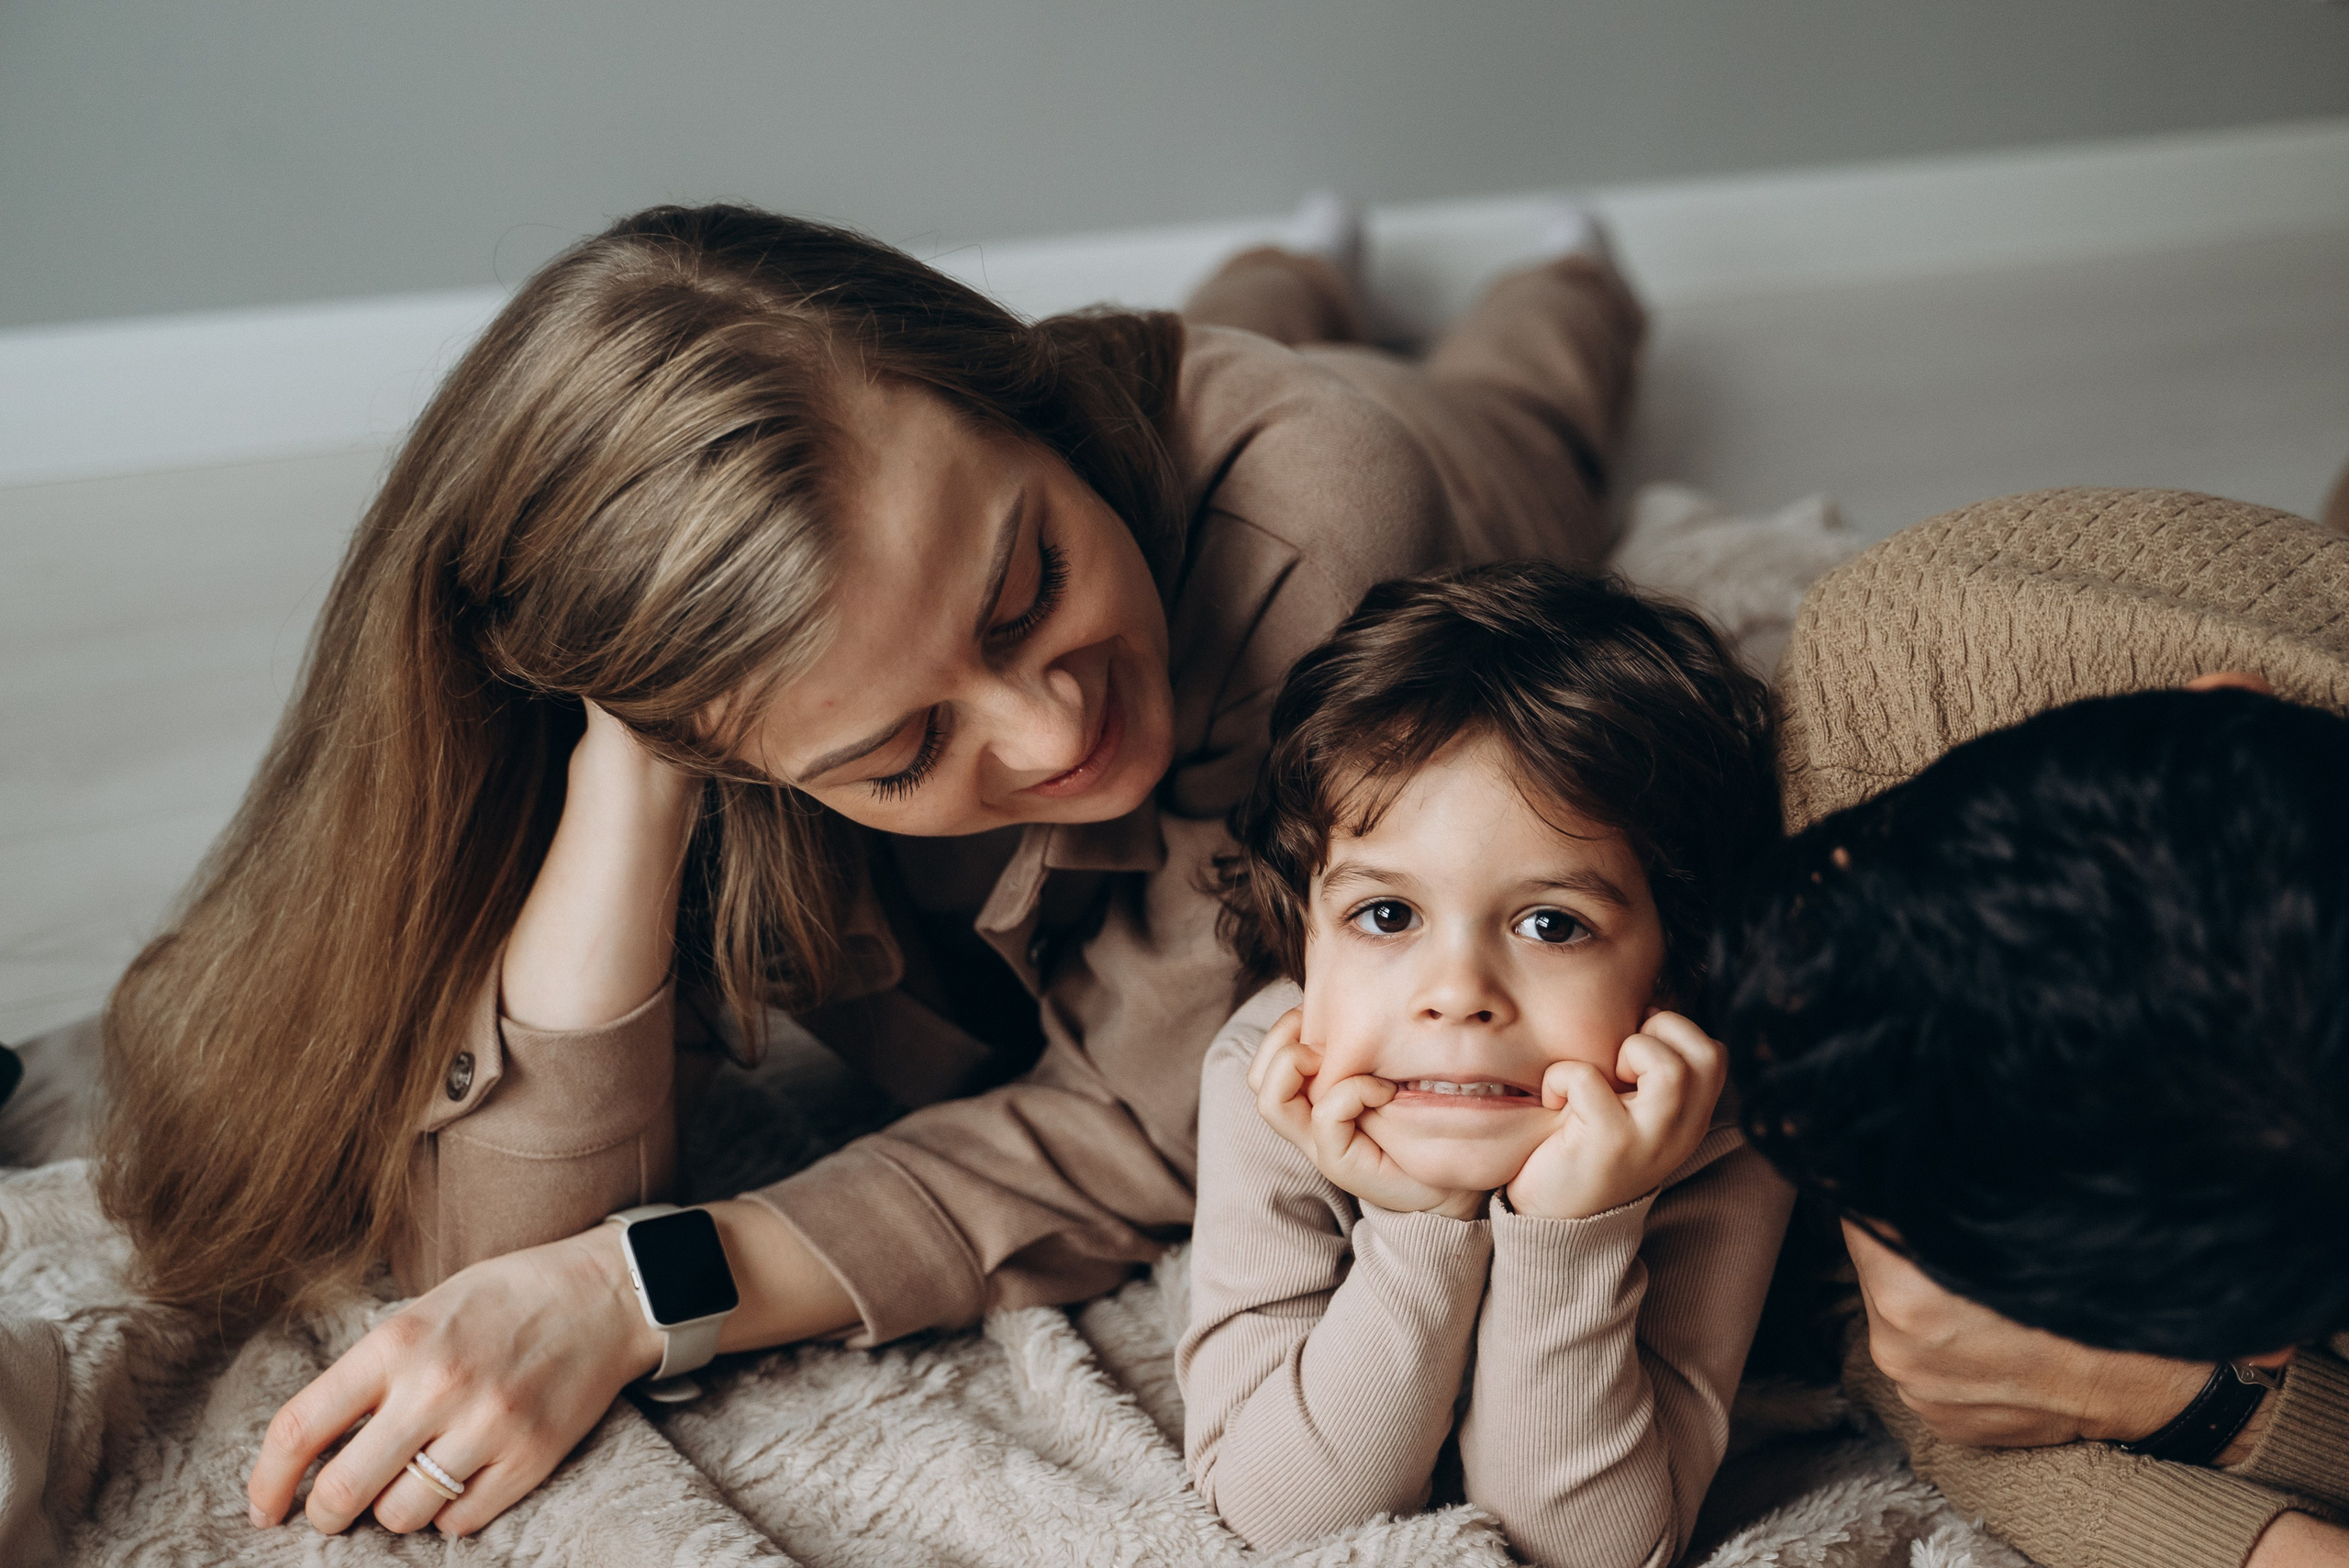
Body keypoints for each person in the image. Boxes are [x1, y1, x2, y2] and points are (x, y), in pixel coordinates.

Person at [84, 197, 1647, 1537]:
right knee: (1237, 319)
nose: (1049, 731)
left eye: (1026, 582)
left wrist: (640, 1289)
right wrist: (634, 767)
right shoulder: (732, 720)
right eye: (895, 752)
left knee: (1522, 389)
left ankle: (1561, 268)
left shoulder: (1319, 532)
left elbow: (1144, 1118)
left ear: (1009, 392)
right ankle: (1280, 269)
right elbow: (487, 1262)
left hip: (1443, 463)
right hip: (1001, 522)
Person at [1739, 486, 2349, 1568]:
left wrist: (2183, 1408)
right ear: (2218, 702)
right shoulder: (1924, 654)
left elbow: (1919, 1349)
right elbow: (1921, 1344)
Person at [1179, 563, 1792, 1566]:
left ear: (1680, 967)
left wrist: (1568, 1235)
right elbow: (1278, 1516)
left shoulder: (1720, 1120)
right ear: (1306, 937)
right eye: (1387, 915)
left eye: (1552, 923)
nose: (1456, 989)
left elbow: (1585, 1549)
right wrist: (1419, 1220)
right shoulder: (1270, 1073)